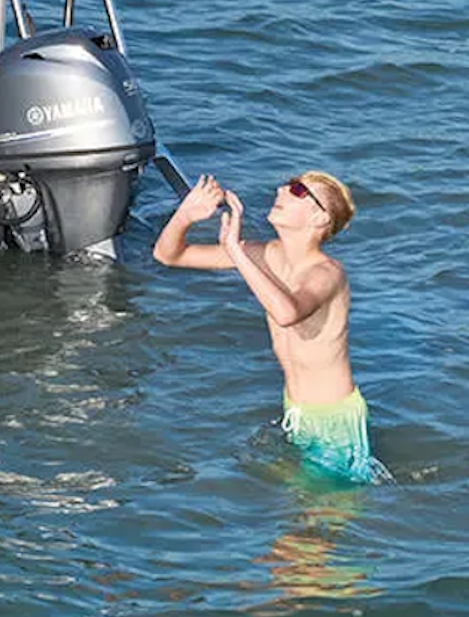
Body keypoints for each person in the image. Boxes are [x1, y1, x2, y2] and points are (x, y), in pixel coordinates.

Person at [153, 171, 387, 483]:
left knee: (323, 508)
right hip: (296, 410)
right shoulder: (265, 255)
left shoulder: (327, 273)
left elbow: (287, 313)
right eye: (288, 183)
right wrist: (185, 215)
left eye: (298, 190)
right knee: (302, 503)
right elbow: (169, 255)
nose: (281, 189)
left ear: (319, 218)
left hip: (333, 418)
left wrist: (235, 250)